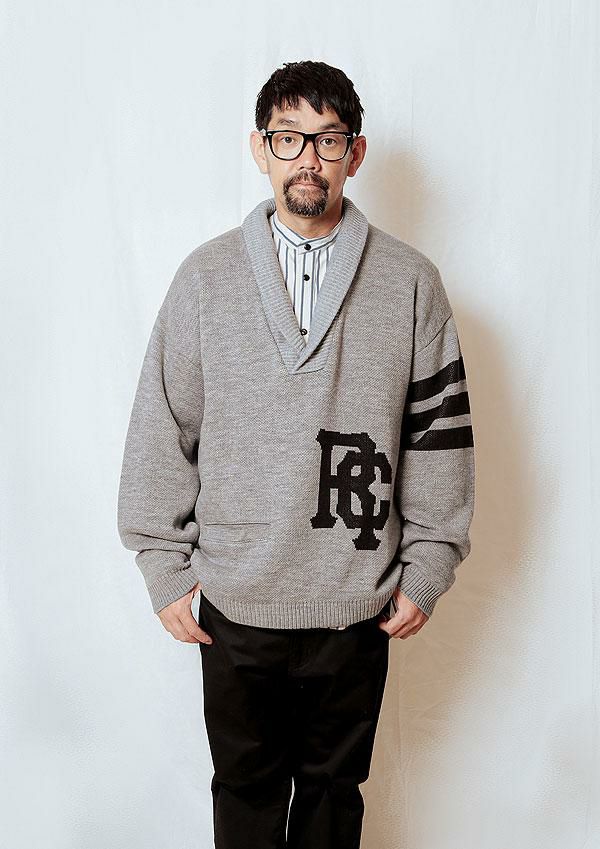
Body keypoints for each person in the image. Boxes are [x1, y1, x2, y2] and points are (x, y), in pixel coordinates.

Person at [117, 59, 476, 849]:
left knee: (332, 799)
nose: (308, 157)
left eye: (327, 138)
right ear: (260, 148)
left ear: (356, 153)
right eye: (289, 137)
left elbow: (439, 433)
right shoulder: (205, 279)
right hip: (236, 603)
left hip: (357, 603)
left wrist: (429, 563)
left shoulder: (411, 283)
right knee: (244, 795)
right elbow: (160, 425)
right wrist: (162, 562)